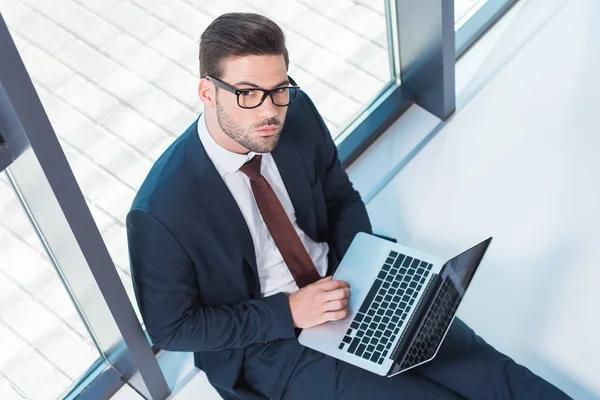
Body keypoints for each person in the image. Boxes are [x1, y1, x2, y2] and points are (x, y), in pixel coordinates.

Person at [126, 12, 570, 400]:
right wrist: (290, 311)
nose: (269, 111)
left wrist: (368, 264)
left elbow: (340, 198)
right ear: (207, 93)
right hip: (273, 341)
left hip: (348, 279)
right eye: (248, 93)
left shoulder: (295, 114)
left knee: (485, 369)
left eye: (278, 89)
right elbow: (173, 328)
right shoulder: (161, 212)